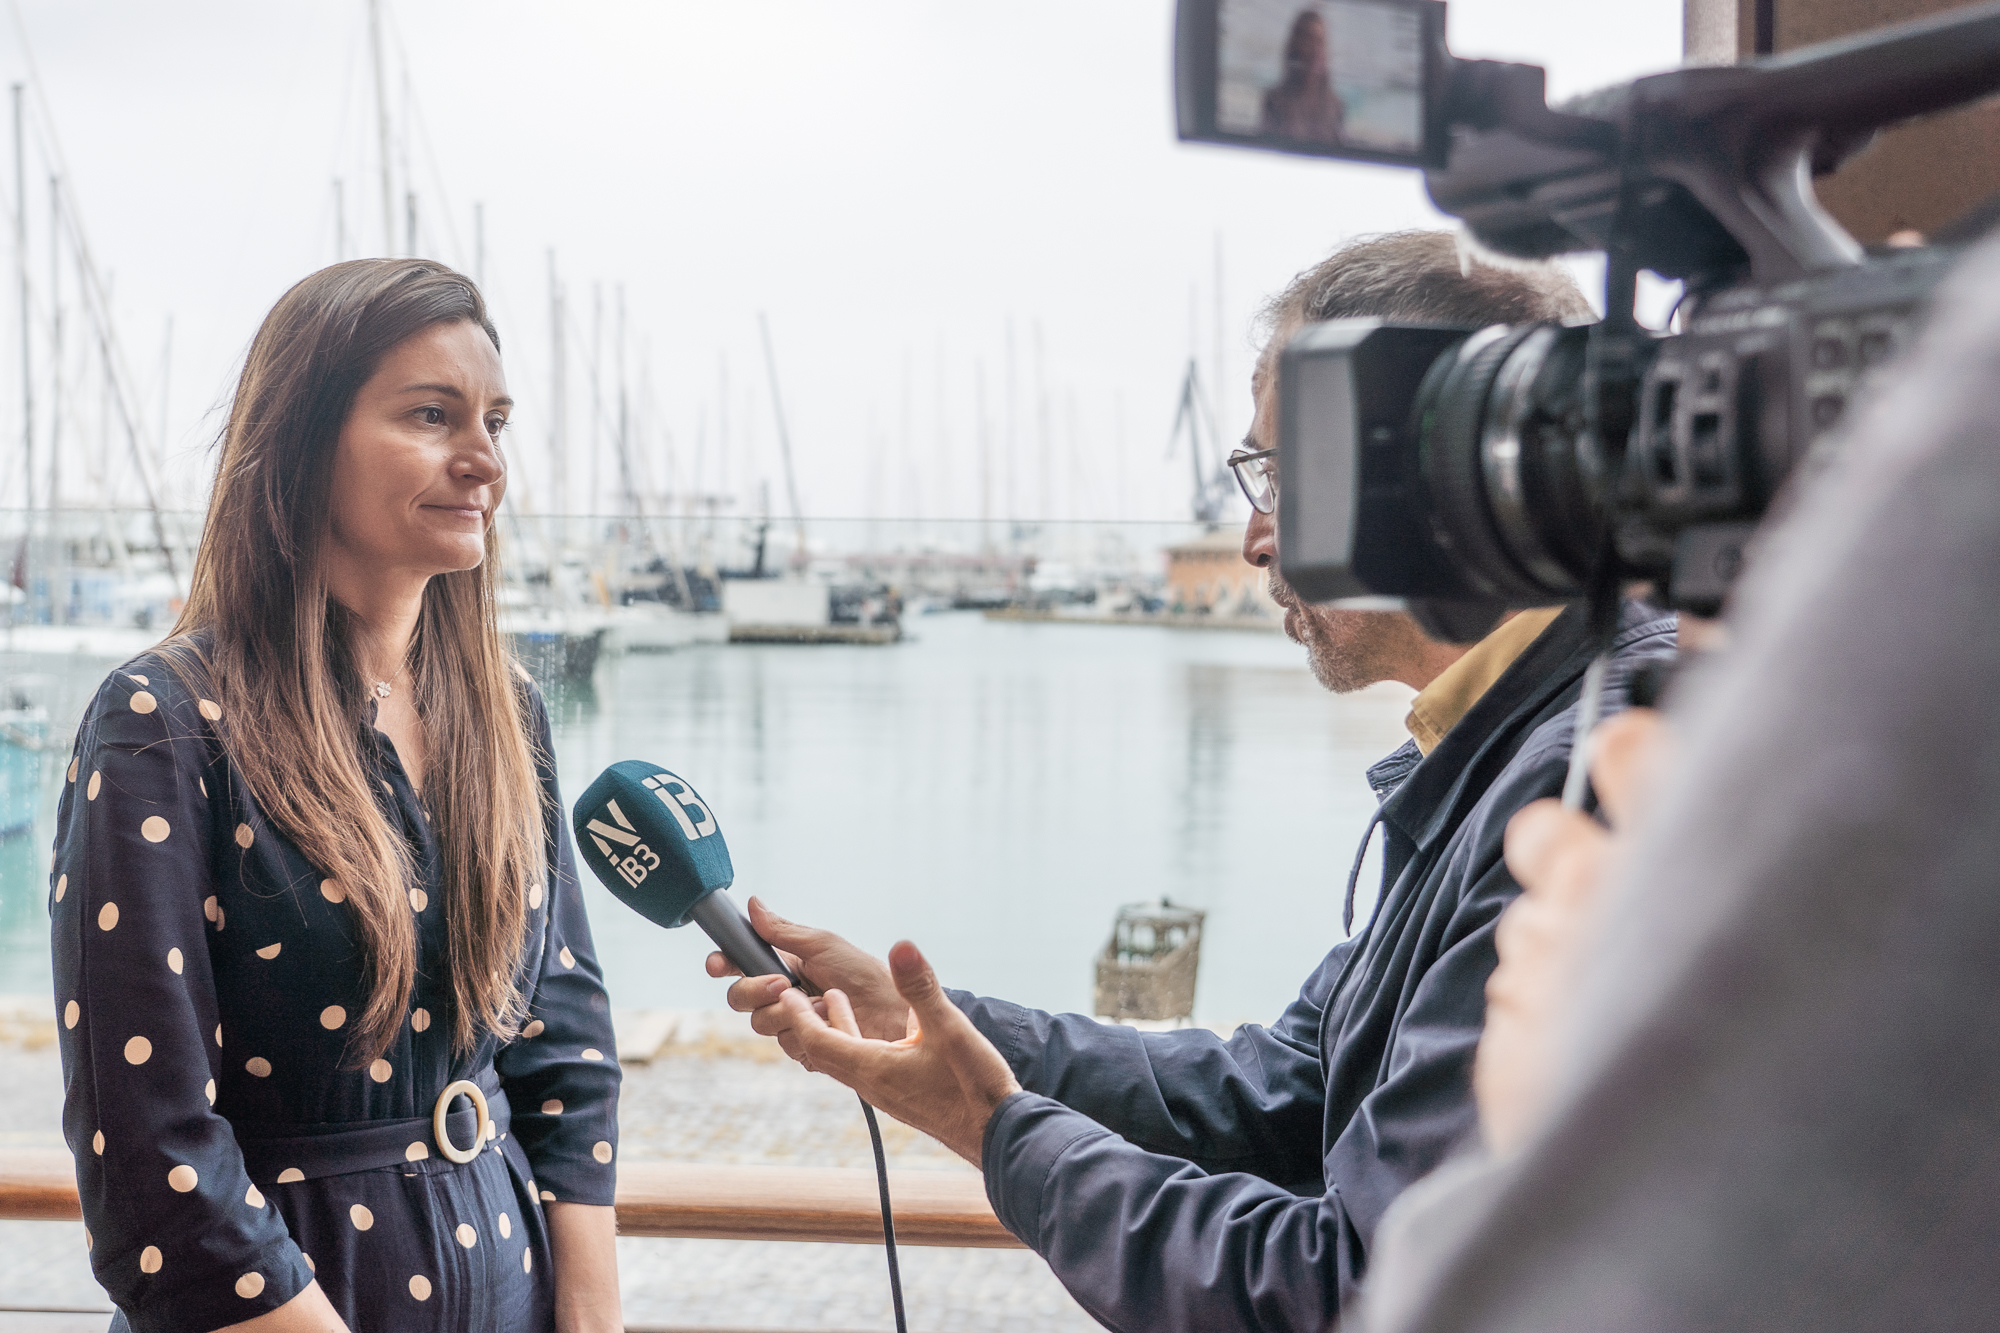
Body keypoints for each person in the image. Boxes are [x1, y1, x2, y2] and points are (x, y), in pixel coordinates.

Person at [713, 232, 1677, 1332]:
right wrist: (941, 1022)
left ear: (1449, 478)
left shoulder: (1586, 788)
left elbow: (1339, 1290)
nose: (1256, 539)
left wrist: (993, 1129)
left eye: (1281, 474)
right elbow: (1277, 1090)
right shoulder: (1507, 742)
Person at [1356, 227, 2000, 1333]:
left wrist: (1585, 1090)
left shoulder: (1565, 760)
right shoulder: (1474, 750)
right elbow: (1286, 1071)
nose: (1267, 537)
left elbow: (1371, 1270)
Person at [49, 260, 623, 1333]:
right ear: (304, 442)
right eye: (430, 414)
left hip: (512, 1291)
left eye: (496, 420)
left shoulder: (505, 716)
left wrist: (591, 1321)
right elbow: (151, 1156)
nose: (484, 460)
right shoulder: (163, 726)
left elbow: (565, 1055)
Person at [1262, 10, 1346, 144]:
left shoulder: (1335, 106)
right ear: (1295, 48)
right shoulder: (1275, 100)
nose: (1315, 51)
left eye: (1319, 42)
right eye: (1309, 41)